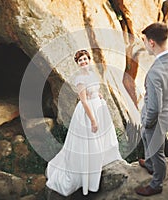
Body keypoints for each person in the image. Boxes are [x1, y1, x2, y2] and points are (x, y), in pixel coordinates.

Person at [46, 49, 122, 196]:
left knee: (101, 138)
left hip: (97, 107)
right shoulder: (80, 79)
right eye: (80, 60)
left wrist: (97, 94)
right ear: (78, 63)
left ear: (89, 59)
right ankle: (87, 172)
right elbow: (84, 101)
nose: (83, 62)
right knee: (89, 141)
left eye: (85, 59)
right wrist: (93, 120)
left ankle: (100, 162)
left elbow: (92, 90)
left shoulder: (91, 75)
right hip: (87, 112)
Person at [135, 22, 168, 196]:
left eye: (145, 40)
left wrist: (147, 122)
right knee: (147, 141)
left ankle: (156, 184)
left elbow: (154, 108)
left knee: (157, 150)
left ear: (151, 42)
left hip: (158, 117)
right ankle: (150, 164)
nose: (144, 44)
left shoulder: (155, 72)